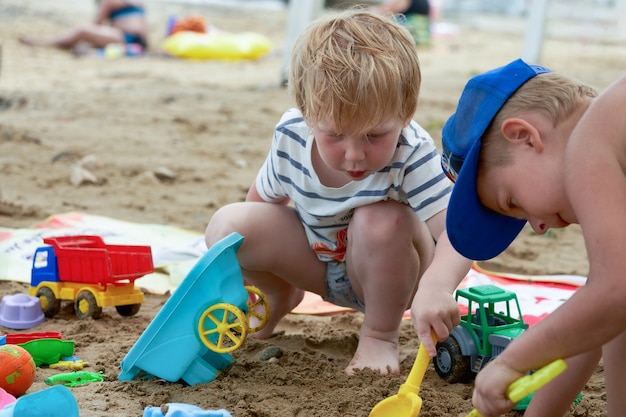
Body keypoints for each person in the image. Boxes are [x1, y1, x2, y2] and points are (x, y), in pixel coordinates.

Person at [205, 9, 471, 376]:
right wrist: (248, 279)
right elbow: (261, 205)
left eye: (375, 135)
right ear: (307, 112)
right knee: (228, 226)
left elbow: (459, 234)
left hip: (391, 273)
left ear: (406, 113)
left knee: (380, 217)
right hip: (319, 265)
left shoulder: (411, 150)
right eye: (334, 135)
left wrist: (439, 287)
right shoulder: (292, 136)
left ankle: (379, 335)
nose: (354, 154)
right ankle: (281, 295)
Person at [411, 57, 626, 416]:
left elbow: (612, 295)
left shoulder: (592, 140)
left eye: (513, 202)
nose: (538, 226)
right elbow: (593, 320)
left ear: (525, 136)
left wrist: (512, 363)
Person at [19, 0, 148, 54]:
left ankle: (44, 42)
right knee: (83, 38)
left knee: (83, 30)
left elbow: (96, 25)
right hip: (137, 41)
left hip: (126, 38)